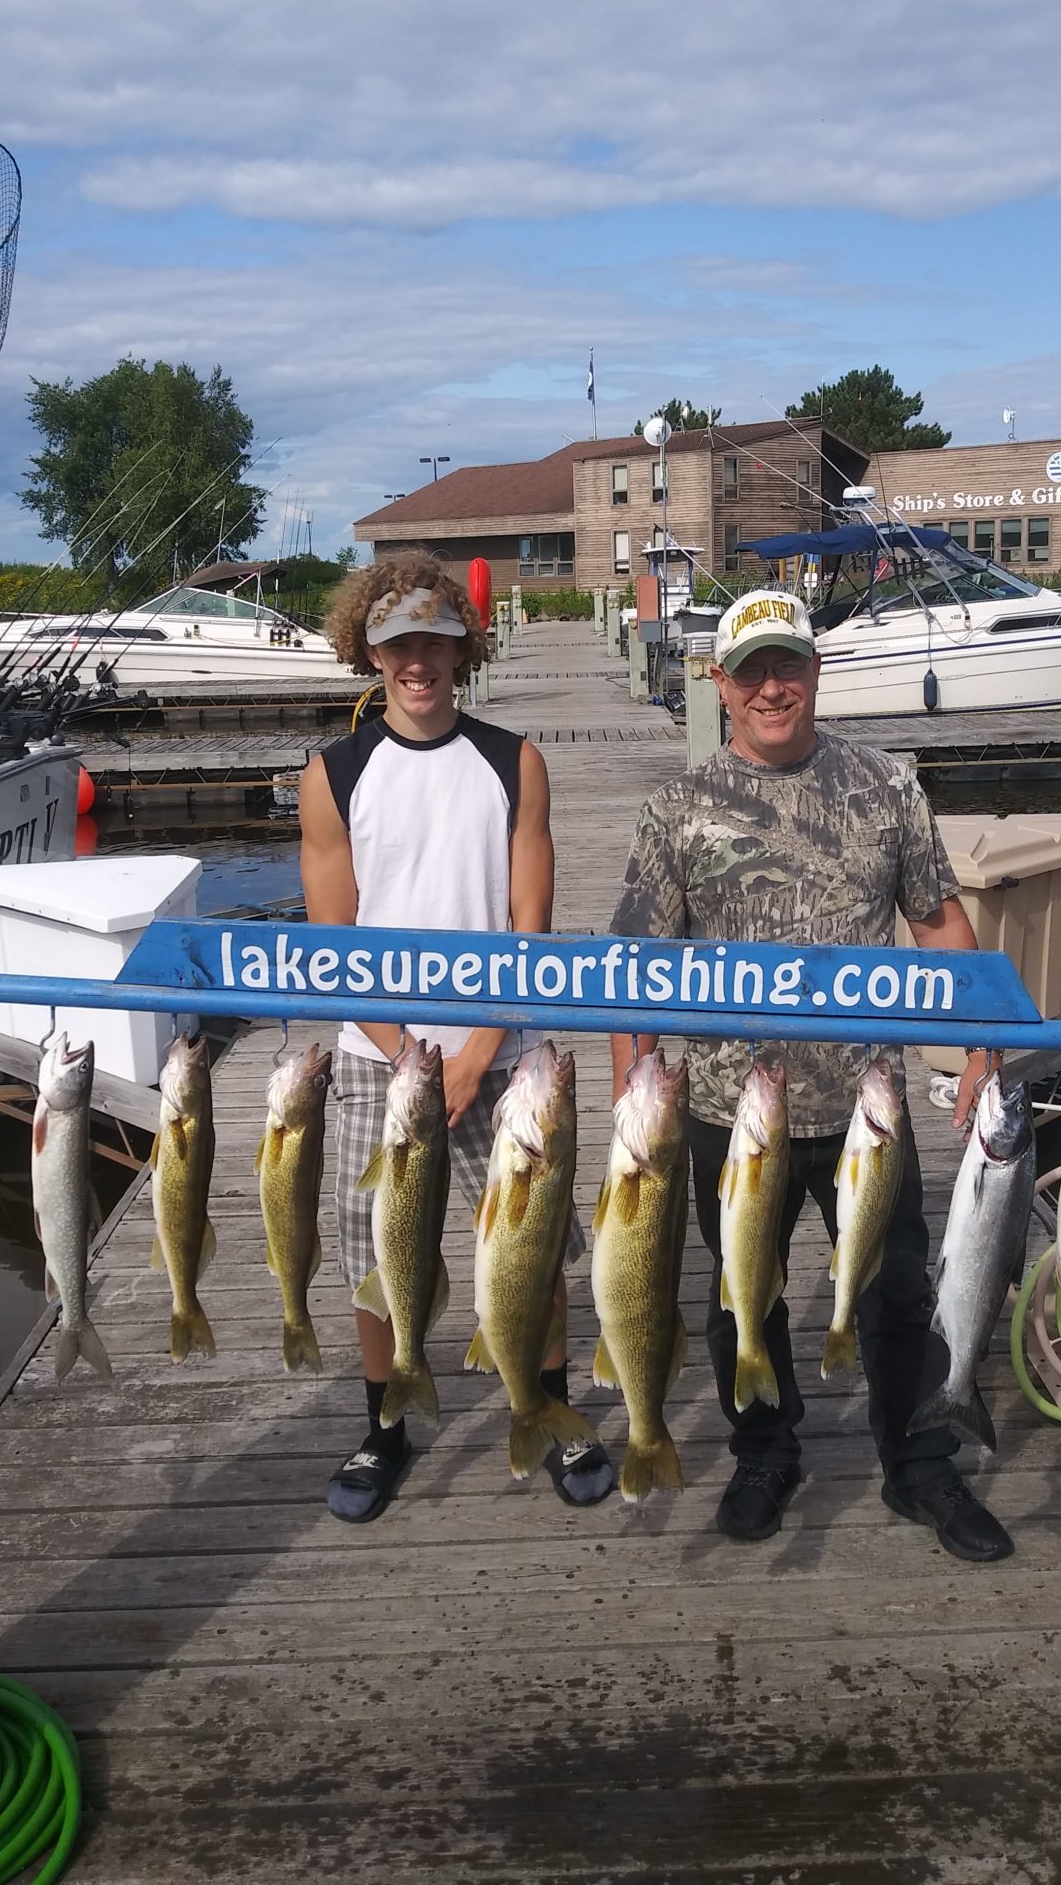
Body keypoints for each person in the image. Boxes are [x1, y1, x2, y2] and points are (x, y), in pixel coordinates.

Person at [608, 588, 1011, 1562]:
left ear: (817, 671)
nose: (773, 686)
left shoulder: (888, 786)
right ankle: (765, 1448)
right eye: (753, 670)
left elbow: (939, 919)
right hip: (721, 1110)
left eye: (789, 664)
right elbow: (635, 963)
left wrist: (986, 1044)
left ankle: (919, 1460)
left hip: (864, 1103)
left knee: (898, 1290)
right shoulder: (677, 809)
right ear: (721, 683)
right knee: (741, 1294)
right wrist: (633, 1095)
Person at [298, 552, 615, 1522]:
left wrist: (480, 1048)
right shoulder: (332, 773)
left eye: (434, 639)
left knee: (536, 1250)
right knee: (375, 1257)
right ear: (370, 650)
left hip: (503, 1052)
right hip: (376, 1058)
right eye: (398, 643)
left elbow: (531, 923)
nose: (417, 660)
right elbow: (334, 944)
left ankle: (550, 1407)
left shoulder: (513, 759)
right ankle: (385, 1425)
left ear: (461, 646)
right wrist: (406, 1058)